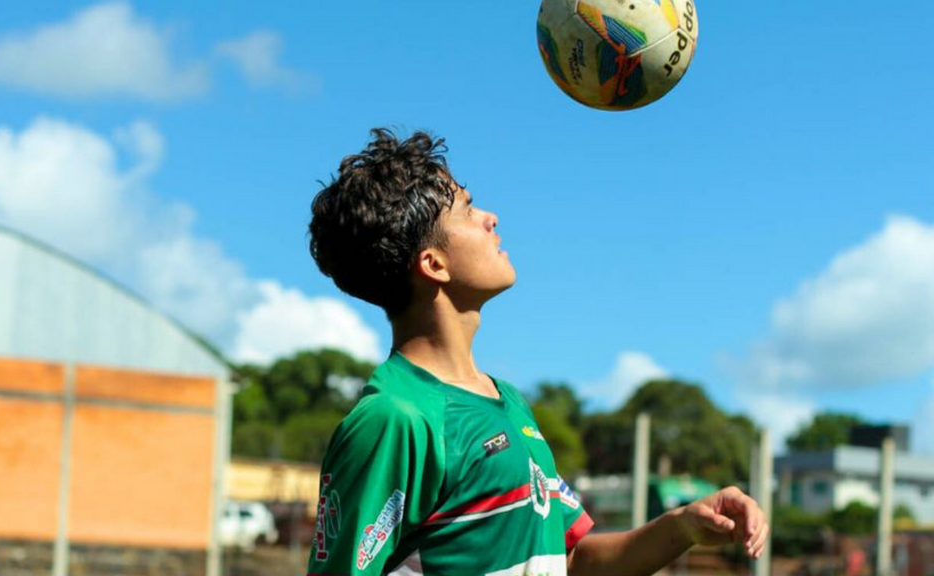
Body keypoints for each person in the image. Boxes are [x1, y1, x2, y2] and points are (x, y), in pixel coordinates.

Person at [306, 128, 769, 576]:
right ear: (434, 264)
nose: (492, 217)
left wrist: (684, 525)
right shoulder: (396, 417)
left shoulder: (507, 402)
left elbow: (573, 560)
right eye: (467, 210)